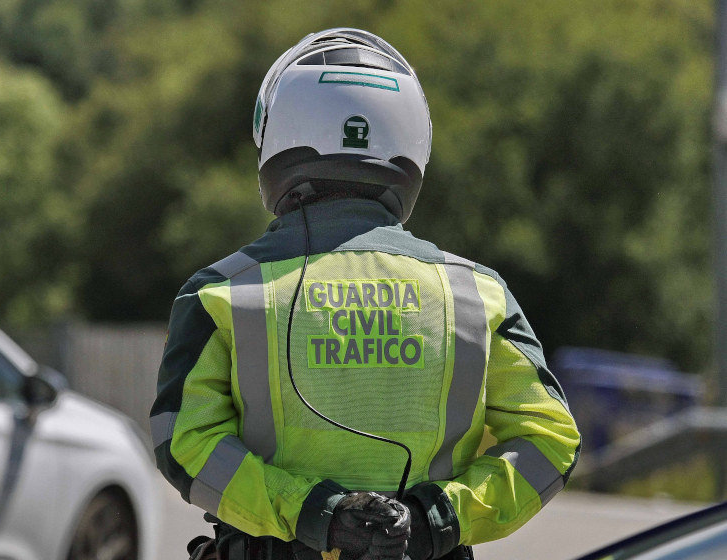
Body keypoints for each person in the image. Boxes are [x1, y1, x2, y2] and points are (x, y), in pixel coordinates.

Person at [151, 28, 580, 560]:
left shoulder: (221, 294)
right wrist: (435, 521)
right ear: (413, 144)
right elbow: (552, 442)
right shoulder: (477, 294)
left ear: (274, 135)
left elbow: (182, 445)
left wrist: (315, 515)